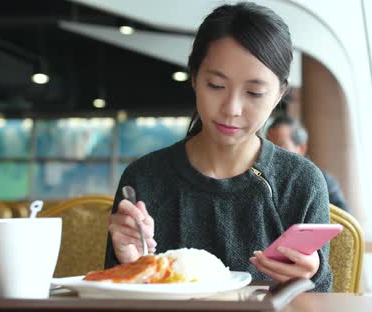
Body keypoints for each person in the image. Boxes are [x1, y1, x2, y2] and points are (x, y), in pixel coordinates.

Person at [105, 2, 332, 292]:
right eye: (216, 85)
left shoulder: (301, 182)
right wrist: (129, 268)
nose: (232, 109)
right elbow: (111, 299)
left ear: (279, 94)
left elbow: (324, 300)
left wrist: (309, 279)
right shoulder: (144, 179)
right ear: (194, 78)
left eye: (254, 92)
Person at [266, 115, 352, 214]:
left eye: (281, 147)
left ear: (301, 148)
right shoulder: (261, 177)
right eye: (269, 146)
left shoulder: (322, 180)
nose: (273, 153)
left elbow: (345, 222)